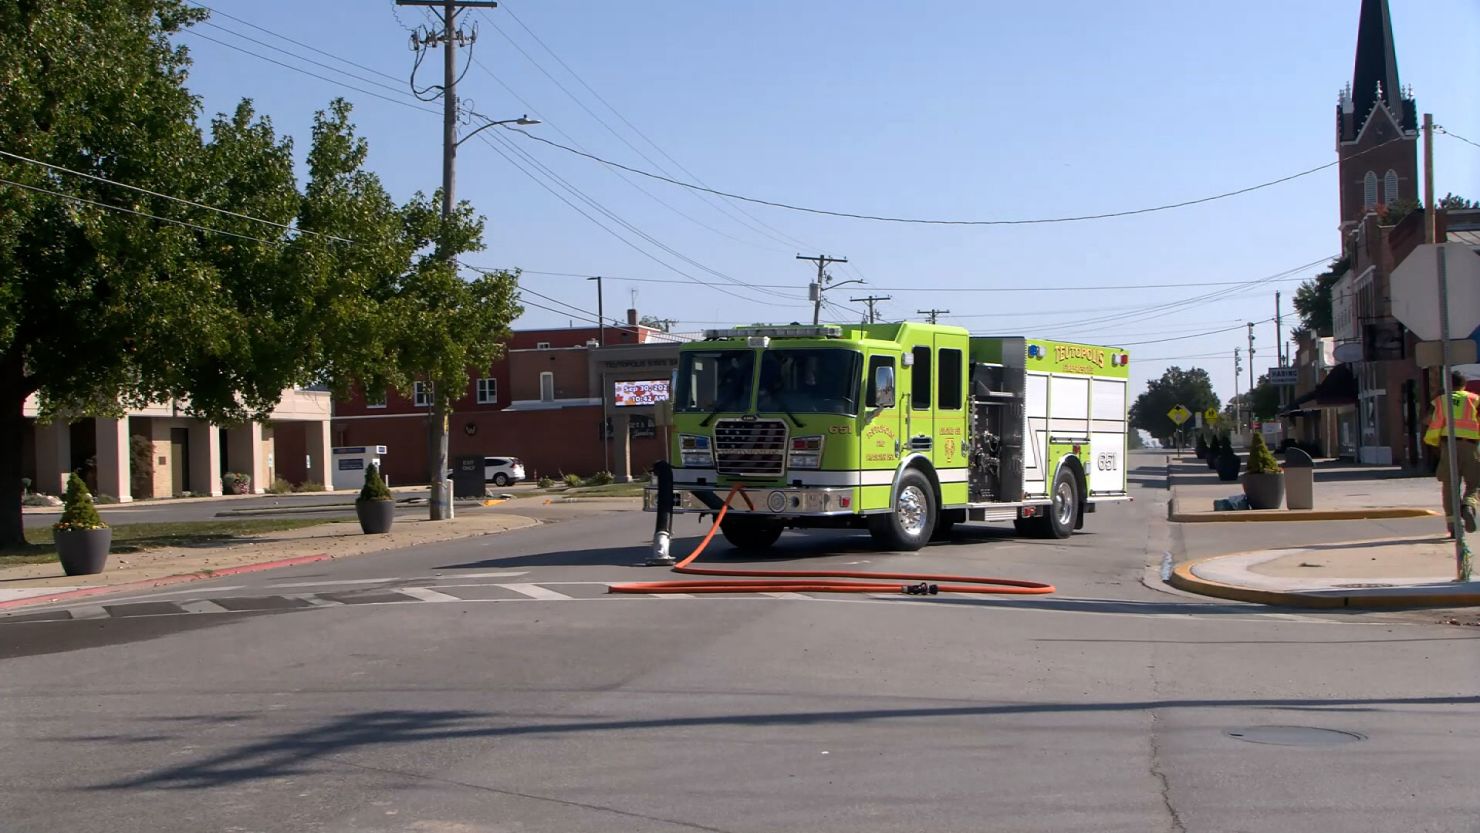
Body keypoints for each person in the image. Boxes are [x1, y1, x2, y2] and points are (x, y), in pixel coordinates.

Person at [1423, 370, 1480, 537]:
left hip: (1448, 447)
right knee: (1475, 483)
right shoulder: (1474, 399)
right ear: (1464, 385)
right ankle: (1468, 505)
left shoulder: (1440, 401)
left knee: (1449, 486)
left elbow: (1427, 420)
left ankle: (1453, 526)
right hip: (1470, 447)